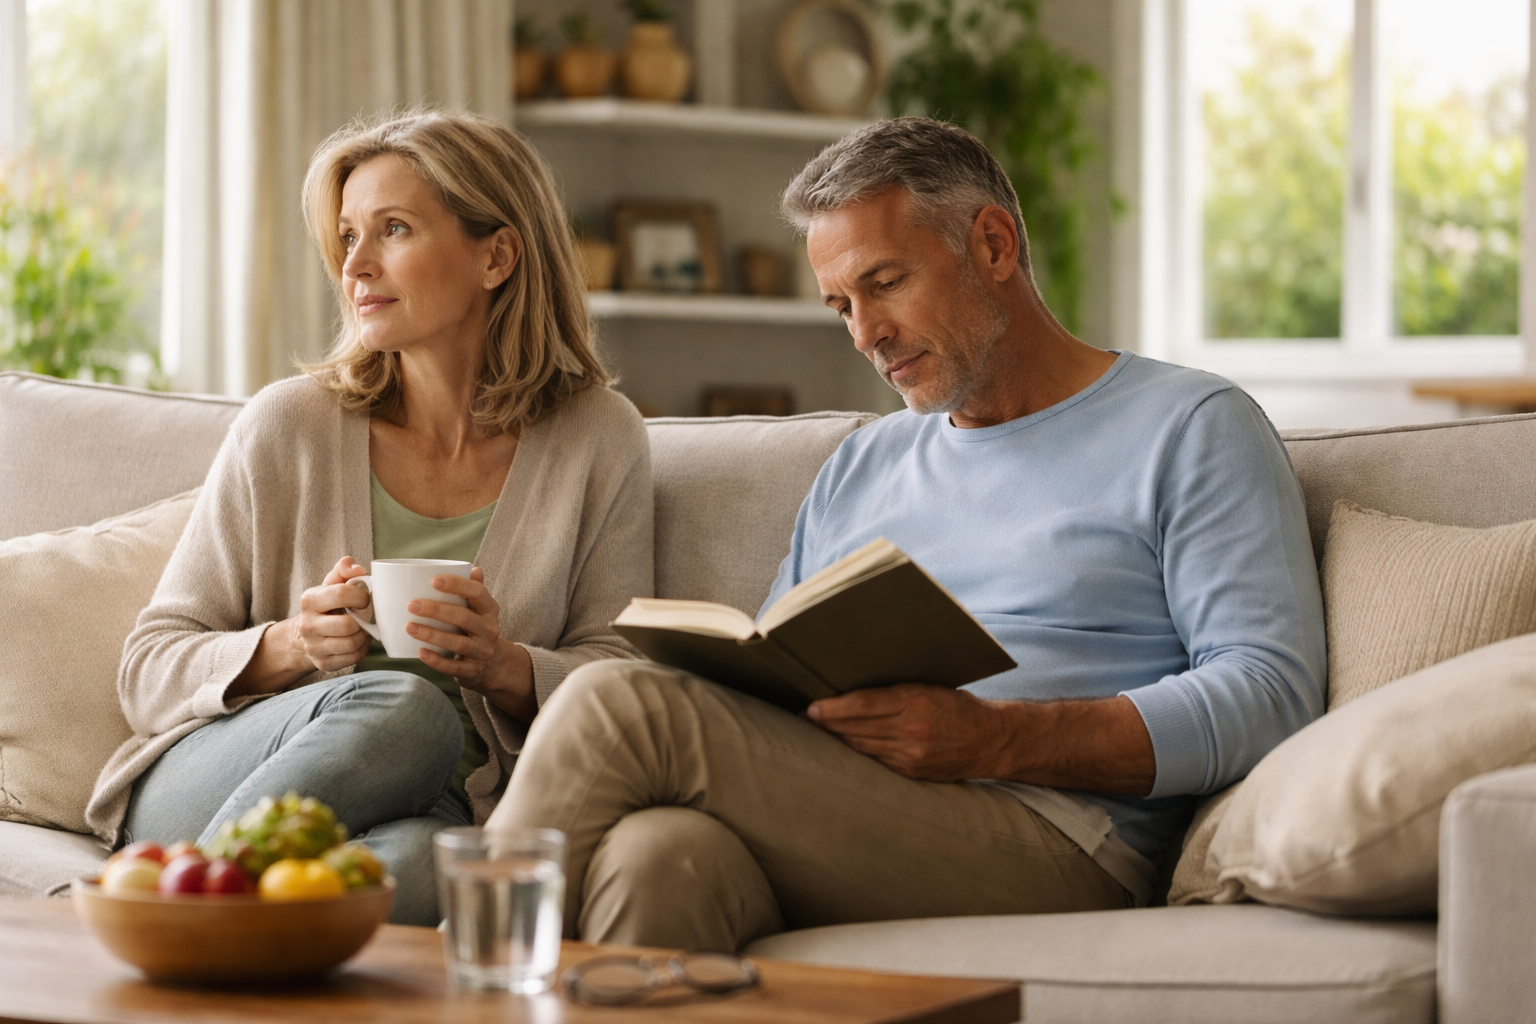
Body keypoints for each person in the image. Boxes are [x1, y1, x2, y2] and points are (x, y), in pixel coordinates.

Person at [484, 117, 1327, 950]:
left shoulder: (1190, 425)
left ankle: (446, 983)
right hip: (853, 803)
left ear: (993, 246)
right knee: (657, 856)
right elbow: (774, 662)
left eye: (885, 283)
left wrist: (995, 737)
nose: (864, 334)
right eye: (840, 305)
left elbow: (1269, 692)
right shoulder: (864, 462)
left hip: (1061, 838)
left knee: (616, 702)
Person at [84, 109, 653, 925]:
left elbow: (627, 673)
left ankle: (210, 948)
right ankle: (169, 917)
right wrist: (291, 647)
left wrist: (504, 665)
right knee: (406, 709)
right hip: (228, 783)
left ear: (497, 254)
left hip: (446, 807)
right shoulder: (291, 426)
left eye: (393, 229)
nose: (356, 264)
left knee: (435, 868)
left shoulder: (599, 438)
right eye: (348, 235)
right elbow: (148, 666)